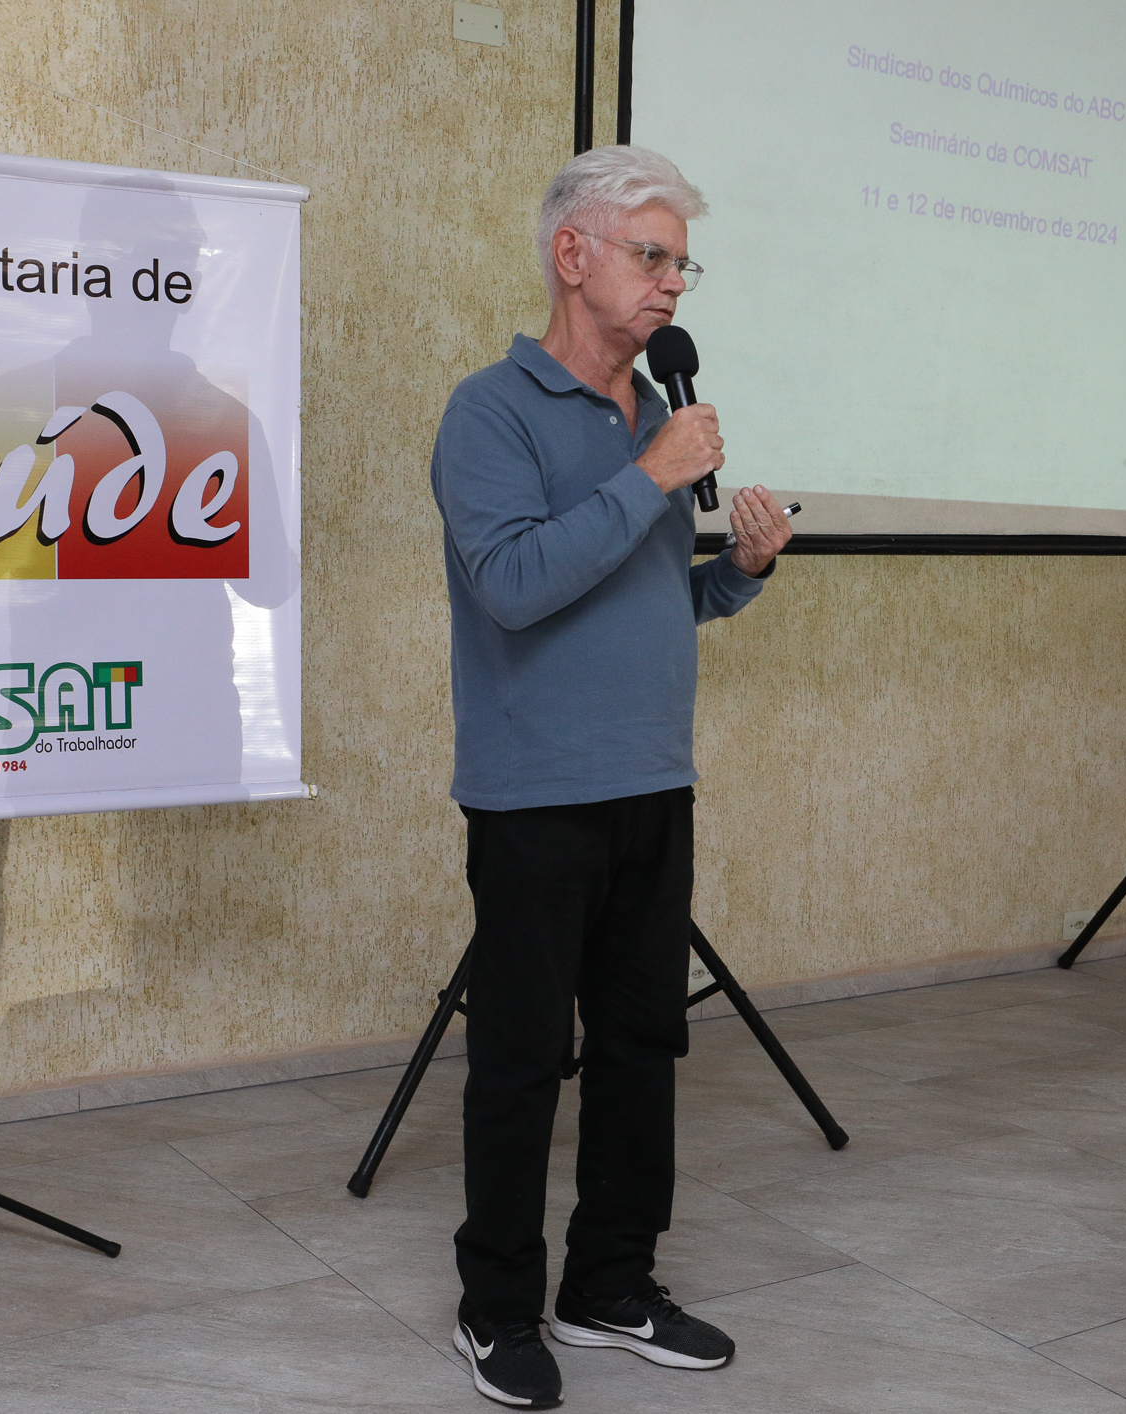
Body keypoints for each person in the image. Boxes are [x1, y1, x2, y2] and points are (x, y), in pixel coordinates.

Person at [429, 145, 792, 1409]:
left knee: (643, 1045)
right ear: (570, 255)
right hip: (533, 796)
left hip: (653, 780)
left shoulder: (656, 415)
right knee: (525, 1058)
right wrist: (652, 479)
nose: (671, 285)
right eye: (651, 256)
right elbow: (517, 587)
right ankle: (497, 1308)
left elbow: (641, 600)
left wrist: (738, 569)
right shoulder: (492, 412)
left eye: (681, 262)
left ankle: (612, 1285)